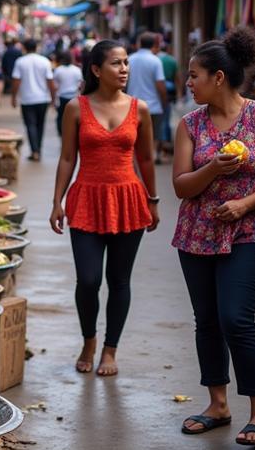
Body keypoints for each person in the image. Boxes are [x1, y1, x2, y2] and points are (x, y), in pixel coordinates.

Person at [172, 26, 255, 449]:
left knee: (236, 318)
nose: (188, 82)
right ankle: (217, 404)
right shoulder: (190, 124)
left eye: (194, 75)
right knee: (207, 322)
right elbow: (182, 185)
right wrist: (214, 170)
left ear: (218, 77)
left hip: (250, 233)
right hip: (196, 235)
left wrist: (244, 203)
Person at [50, 41, 159, 377]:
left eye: (126, 62)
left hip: (128, 199)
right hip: (86, 199)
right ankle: (89, 340)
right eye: (116, 63)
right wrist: (57, 200)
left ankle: (110, 350)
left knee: (119, 280)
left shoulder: (139, 108)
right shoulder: (75, 108)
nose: (124, 69)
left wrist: (153, 201)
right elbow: (68, 157)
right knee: (88, 279)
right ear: (96, 70)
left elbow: (146, 159)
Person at [11, 38, 55, 161]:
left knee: (30, 125)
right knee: (40, 125)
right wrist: (53, 98)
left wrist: (13, 97)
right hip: (42, 99)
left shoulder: (20, 62)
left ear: (24, 48)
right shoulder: (45, 61)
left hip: (27, 99)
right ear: (36, 47)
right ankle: (38, 150)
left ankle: (34, 151)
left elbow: (16, 81)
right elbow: (50, 81)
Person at [127, 32, 167, 164]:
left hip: (133, 105)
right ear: (154, 45)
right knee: (154, 133)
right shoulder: (155, 61)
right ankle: (153, 155)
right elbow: (160, 84)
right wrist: (164, 102)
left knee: (135, 133)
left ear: (139, 43)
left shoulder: (130, 59)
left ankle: (135, 157)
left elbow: (124, 83)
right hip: (154, 106)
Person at [53, 52, 83, 136]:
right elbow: (80, 84)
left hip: (62, 96)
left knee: (61, 116)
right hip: (74, 96)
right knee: (74, 116)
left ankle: (61, 133)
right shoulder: (76, 70)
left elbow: (55, 85)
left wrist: (53, 99)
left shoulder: (58, 70)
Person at [158, 38, 180, 156]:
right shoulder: (172, 60)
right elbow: (177, 78)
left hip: (158, 93)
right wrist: (179, 93)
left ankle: (161, 146)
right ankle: (166, 143)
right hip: (169, 91)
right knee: (166, 118)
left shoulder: (157, 59)